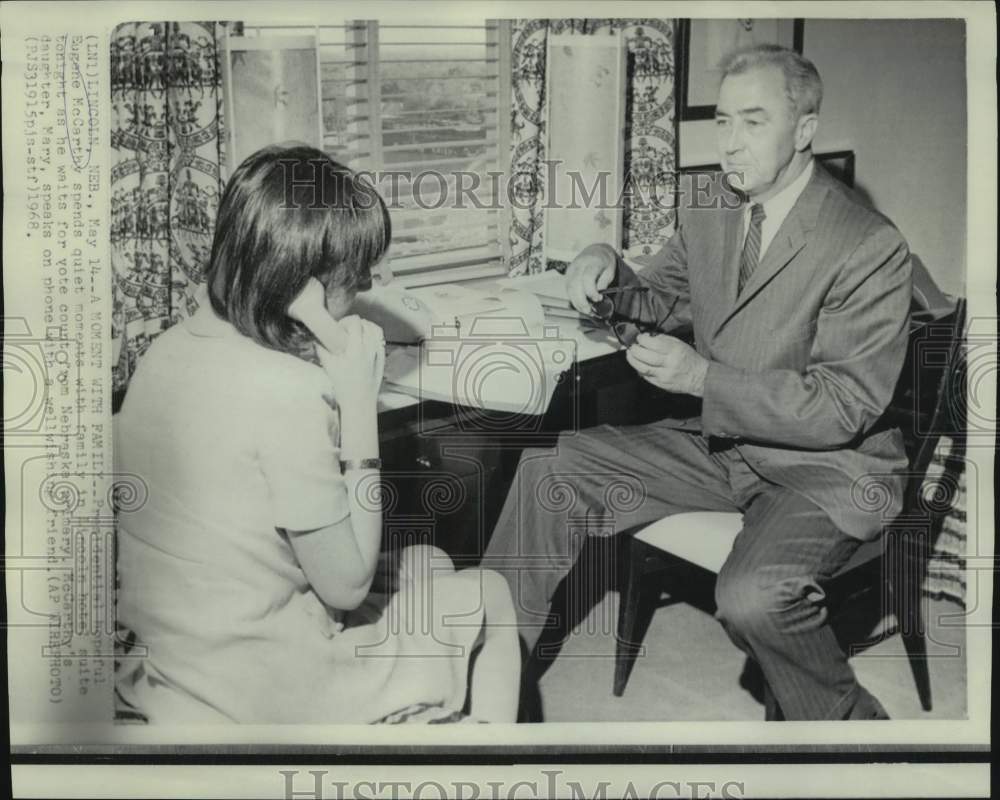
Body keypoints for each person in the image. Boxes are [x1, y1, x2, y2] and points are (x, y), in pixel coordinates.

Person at [483, 45, 912, 721]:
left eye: (753, 122)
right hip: (724, 447)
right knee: (551, 469)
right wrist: (603, 268)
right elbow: (657, 298)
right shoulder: (712, 202)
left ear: (804, 131)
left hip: (826, 467)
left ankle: (851, 727)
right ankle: (487, 686)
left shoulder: (867, 244)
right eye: (722, 122)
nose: (730, 145)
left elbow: (843, 405)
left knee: (754, 595)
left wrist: (702, 378)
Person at [115, 145, 519, 724]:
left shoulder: (163, 351)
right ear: (303, 289)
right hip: (263, 687)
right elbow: (347, 587)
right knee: (491, 596)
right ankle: (490, 772)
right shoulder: (286, 393)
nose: (357, 296)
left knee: (430, 561)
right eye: (353, 283)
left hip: (180, 652)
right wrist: (358, 407)